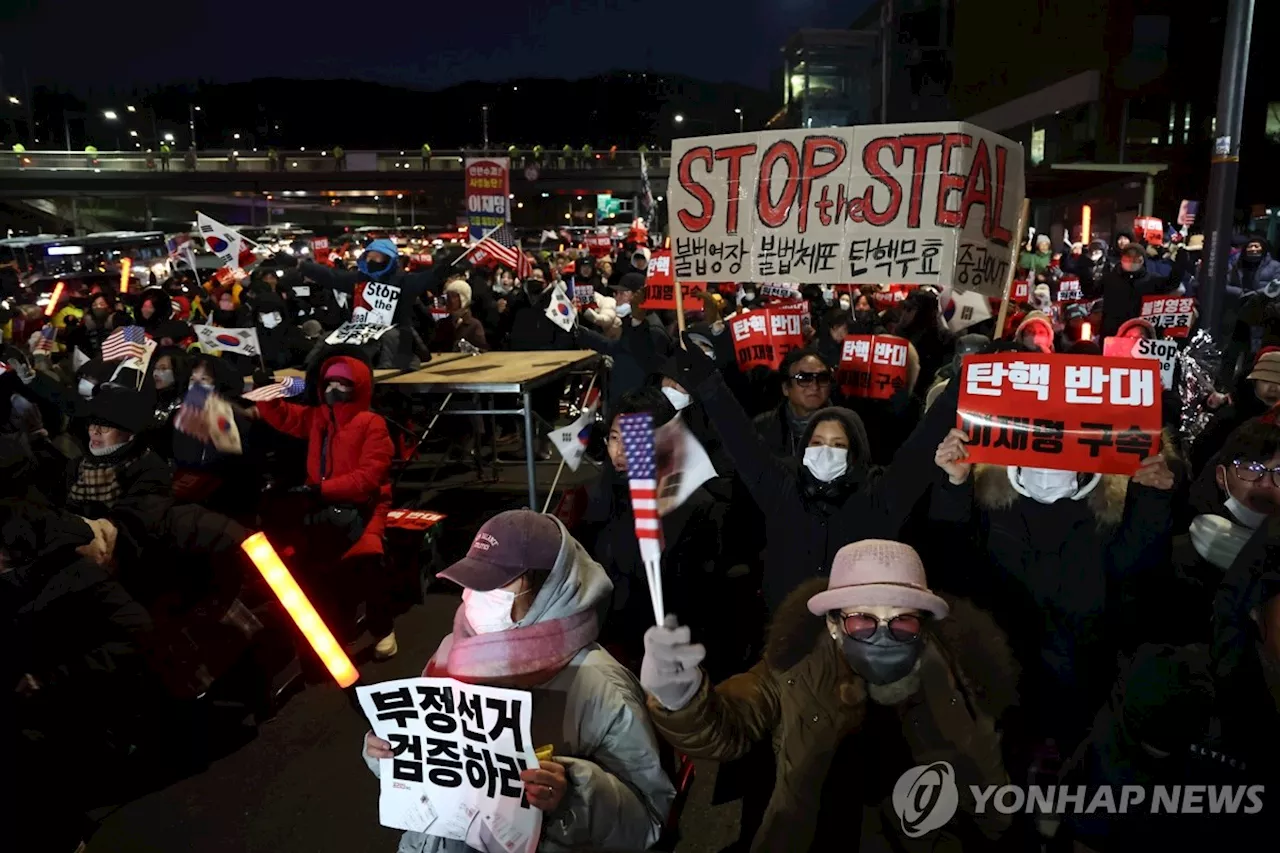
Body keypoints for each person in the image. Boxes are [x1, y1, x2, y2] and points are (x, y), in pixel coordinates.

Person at [640, 539, 1017, 852]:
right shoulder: (792, 671)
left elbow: (984, 782)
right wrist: (682, 698)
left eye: (902, 620)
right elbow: (728, 725)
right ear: (834, 626)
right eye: (862, 620)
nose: (882, 635)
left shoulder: (954, 678)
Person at [363, 510, 675, 851]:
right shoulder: (452, 649)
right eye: (472, 579)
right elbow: (430, 766)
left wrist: (573, 792)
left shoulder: (600, 684)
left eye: (496, 583)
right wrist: (390, 755)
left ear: (548, 587)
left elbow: (649, 819)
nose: (474, 595)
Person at [932, 423, 1177, 754]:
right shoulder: (985, 495)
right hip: (1000, 697)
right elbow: (952, 565)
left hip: (1084, 699)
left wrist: (1150, 498)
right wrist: (955, 484)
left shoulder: (1116, 503)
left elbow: (1137, 575)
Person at [671, 337, 959, 611]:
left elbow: (919, 451)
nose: (825, 451)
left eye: (838, 445)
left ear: (854, 452)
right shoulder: (782, 487)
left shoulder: (880, 494)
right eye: (817, 442)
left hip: (857, 628)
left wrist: (959, 387)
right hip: (789, 626)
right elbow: (742, 439)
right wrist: (710, 384)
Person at [251, 353, 397, 659]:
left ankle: (383, 629)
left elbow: (369, 478)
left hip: (365, 508)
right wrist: (266, 392)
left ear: (357, 387)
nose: (334, 389)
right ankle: (335, 629)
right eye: (329, 382)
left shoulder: (372, 423)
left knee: (369, 567)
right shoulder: (319, 417)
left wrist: (323, 489)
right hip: (322, 505)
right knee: (320, 571)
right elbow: (283, 417)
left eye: (342, 383)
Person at [583, 388, 728, 670]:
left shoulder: (696, 507)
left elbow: (699, 600)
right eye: (614, 439)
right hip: (609, 645)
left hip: (669, 651)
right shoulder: (601, 494)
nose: (621, 451)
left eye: (634, 440)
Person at [299, 238, 433, 369]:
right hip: (360, 329)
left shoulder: (405, 281)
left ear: (388, 259)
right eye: (368, 257)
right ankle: (311, 367)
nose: (370, 261)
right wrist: (303, 266)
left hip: (394, 331)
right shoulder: (359, 279)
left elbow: (431, 278)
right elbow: (332, 276)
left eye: (375, 257)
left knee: (387, 339)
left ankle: (384, 370)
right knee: (327, 338)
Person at [752, 348, 834, 460]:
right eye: (804, 379)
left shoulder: (847, 426)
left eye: (822, 378)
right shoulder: (762, 427)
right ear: (786, 388)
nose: (815, 386)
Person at [430, 278, 488, 352]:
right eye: (448, 296)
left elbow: (482, 352)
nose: (450, 300)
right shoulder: (441, 324)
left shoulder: (474, 325)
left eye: (454, 296)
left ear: (464, 298)